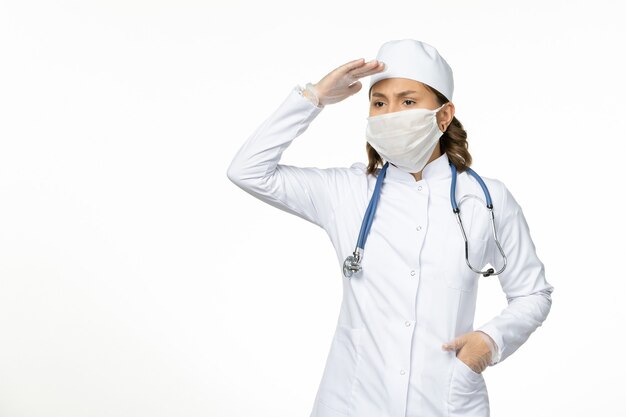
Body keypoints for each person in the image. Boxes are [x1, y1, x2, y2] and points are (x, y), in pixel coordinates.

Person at [226, 39, 554, 417]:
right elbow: (247, 170)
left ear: (444, 116)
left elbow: (534, 293)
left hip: (446, 401)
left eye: (408, 101)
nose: (390, 113)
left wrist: (490, 341)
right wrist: (314, 97)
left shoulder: (485, 200)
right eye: (379, 102)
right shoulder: (345, 192)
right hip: (353, 401)